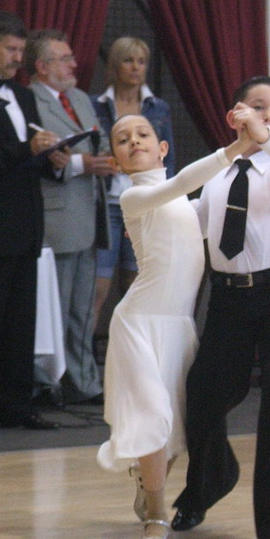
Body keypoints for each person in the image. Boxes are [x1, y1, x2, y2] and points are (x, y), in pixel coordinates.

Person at [171, 75, 270, 539]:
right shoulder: (216, 176)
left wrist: (266, 137)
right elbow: (186, 224)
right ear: (234, 115)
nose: (269, 115)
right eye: (258, 106)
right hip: (229, 301)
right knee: (202, 397)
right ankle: (209, 481)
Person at [96, 112, 253, 539]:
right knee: (152, 418)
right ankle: (157, 518)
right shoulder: (135, 197)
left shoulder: (185, 205)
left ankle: (148, 485)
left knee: (173, 431)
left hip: (178, 327)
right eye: (123, 139)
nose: (134, 141)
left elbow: (212, 208)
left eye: (142, 134)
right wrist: (237, 147)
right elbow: (184, 180)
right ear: (117, 162)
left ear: (162, 148)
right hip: (138, 324)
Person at [0, 11, 67, 437]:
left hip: (26, 228)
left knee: (20, 326)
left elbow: (28, 160)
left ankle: (16, 407)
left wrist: (52, 160)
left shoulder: (24, 96)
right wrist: (29, 150)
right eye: (10, 48)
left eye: (22, 50)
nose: (17, 58)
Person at [24, 29, 112, 406]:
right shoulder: (30, 101)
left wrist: (102, 158)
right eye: (65, 59)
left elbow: (99, 142)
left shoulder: (79, 98)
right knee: (53, 309)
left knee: (82, 309)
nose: (74, 64)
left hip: (89, 212)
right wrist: (80, 164)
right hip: (55, 217)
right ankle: (46, 384)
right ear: (42, 66)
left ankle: (83, 381)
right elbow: (36, 159)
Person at [91, 37, 176, 332]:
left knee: (136, 281)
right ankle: (87, 356)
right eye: (129, 61)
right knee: (98, 286)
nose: (136, 68)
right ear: (114, 66)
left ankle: (134, 343)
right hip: (107, 203)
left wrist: (163, 200)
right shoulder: (96, 105)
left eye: (141, 62)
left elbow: (168, 159)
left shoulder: (158, 107)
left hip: (144, 202)